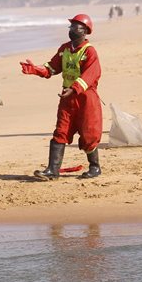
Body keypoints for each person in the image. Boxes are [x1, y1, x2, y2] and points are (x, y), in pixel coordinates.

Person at [20, 14, 103, 181]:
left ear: (85, 31)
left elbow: (91, 74)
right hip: (67, 98)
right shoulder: (64, 49)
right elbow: (52, 67)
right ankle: (52, 170)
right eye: (71, 27)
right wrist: (35, 69)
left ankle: (94, 167)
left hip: (86, 99)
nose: (71, 30)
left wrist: (74, 88)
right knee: (61, 131)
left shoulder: (90, 51)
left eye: (75, 27)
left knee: (89, 134)